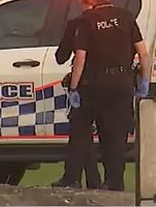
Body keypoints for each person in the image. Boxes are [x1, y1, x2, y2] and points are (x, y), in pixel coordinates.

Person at [68, 0, 150, 191]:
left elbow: (80, 58)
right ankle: (115, 181)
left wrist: (74, 87)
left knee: (103, 134)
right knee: (118, 135)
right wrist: (144, 80)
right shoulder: (125, 16)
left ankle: (104, 182)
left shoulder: (87, 20)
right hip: (123, 83)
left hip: (98, 84)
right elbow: (143, 52)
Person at [51, 10, 102, 189]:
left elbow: (61, 57)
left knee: (80, 128)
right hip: (113, 82)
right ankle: (92, 179)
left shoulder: (78, 24)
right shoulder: (118, 20)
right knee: (85, 132)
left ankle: (72, 177)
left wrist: (73, 86)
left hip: (86, 83)